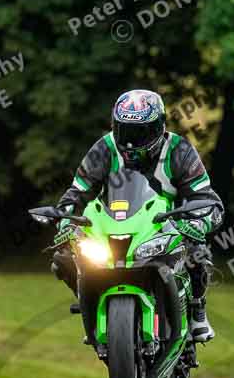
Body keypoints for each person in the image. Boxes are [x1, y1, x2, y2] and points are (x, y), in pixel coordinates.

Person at [51, 89, 224, 342]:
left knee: (197, 251)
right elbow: (77, 193)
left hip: (168, 226)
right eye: (125, 132)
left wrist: (199, 221)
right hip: (113, 224)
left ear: (159, 127)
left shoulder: (179, 150)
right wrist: (64, 220)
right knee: (62, 258)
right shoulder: (104, 149)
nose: (132, 142)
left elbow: (207, 198)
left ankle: (197, 308)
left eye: (140, 133)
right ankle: (92, 301)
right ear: (115, 126)